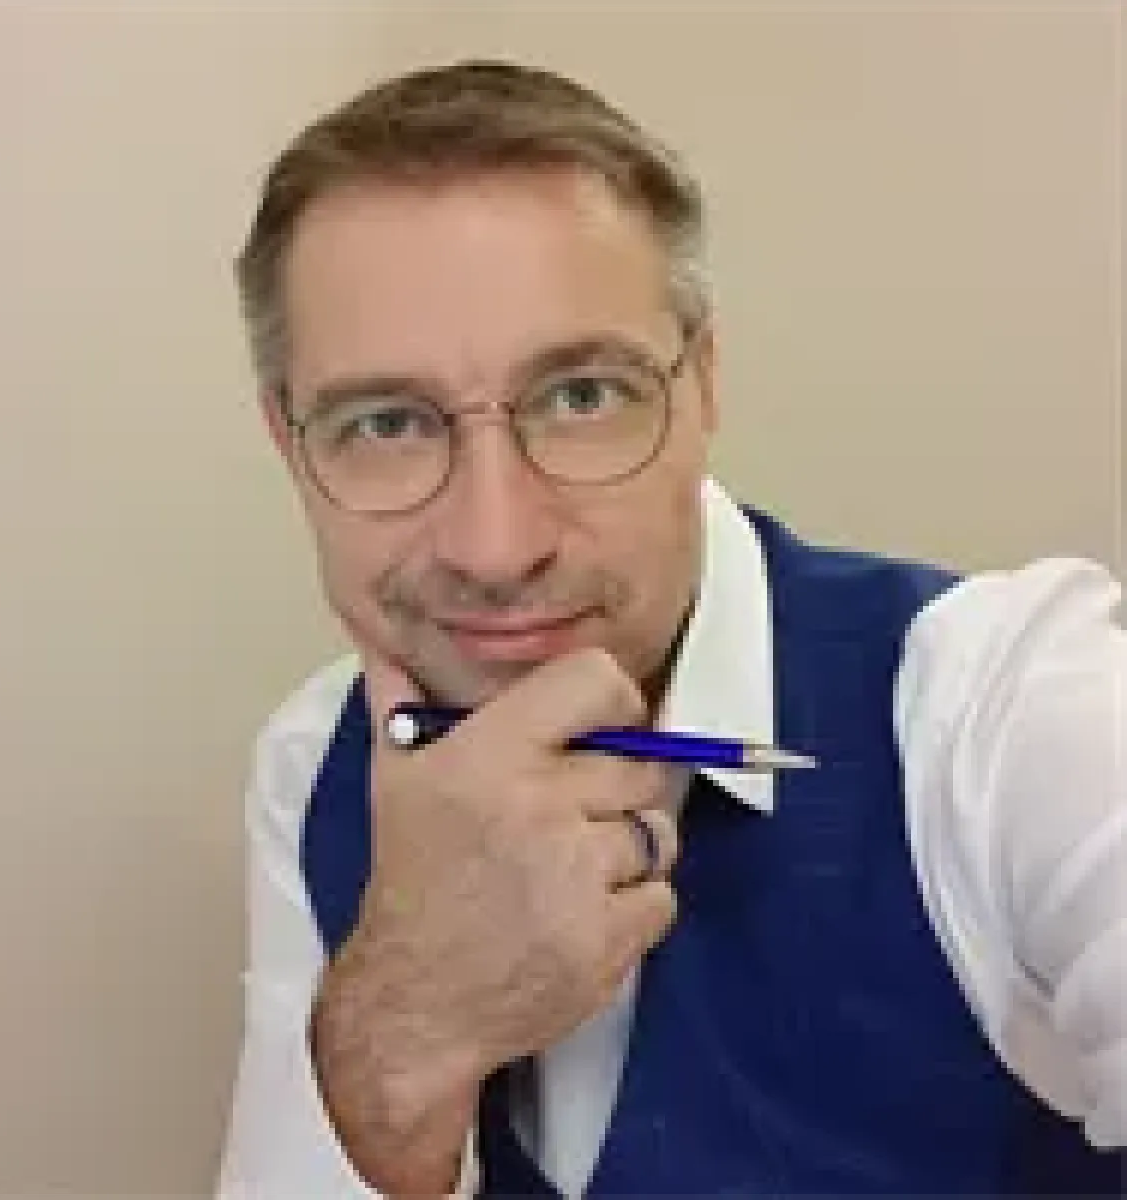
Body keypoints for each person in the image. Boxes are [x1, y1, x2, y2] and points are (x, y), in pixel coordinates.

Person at [215, 59, 1126, 1199]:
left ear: (703, 386)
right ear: (289, 444)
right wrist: (401, 1028)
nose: (496, 548)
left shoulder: (1013, 707)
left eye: (581, 397)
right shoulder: (312, 764)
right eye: (386, 422)